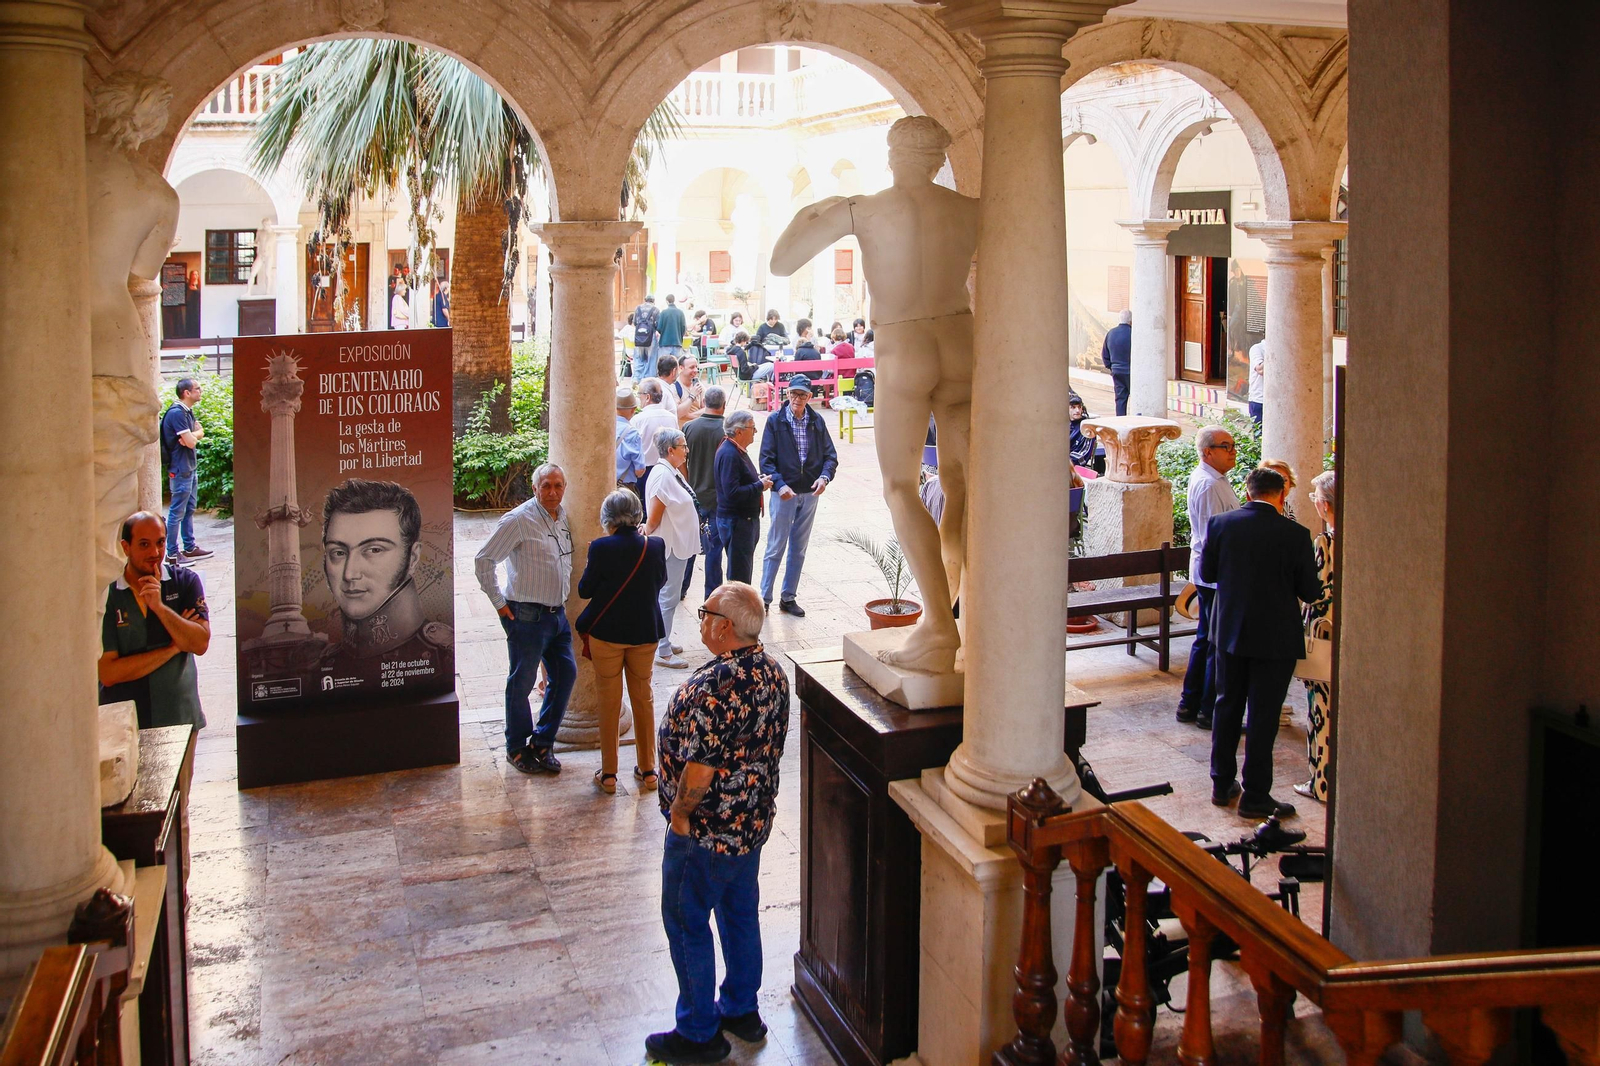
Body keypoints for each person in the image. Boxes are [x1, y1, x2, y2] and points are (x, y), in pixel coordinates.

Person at [770, 114, 975, 673]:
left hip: (904, 343)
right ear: (940, 160)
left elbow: (782, 260)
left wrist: (820, 210)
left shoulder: (864, 207)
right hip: (962, 338)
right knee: (962, 481)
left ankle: (938, 624)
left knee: (899, 484)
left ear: (892, 156)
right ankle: (966, 609)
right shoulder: (970, 210)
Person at [648, 581, 790, 1065]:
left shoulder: (717, 687)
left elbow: (701, 767)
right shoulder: (772, 671)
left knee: (687, 923)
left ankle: (697, 1033)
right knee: (739, 915)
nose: (701, 617)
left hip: (706, 835)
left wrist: (680, 818)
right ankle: (742, 1010)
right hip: (750, 826)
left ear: (724, 627)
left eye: (705, 611)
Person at [1200, 467, 1321, 820]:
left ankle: (1221, 784)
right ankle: (1255, 794)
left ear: (1248, 491)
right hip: (1275, 638)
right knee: (1264, 716)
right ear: (1282, 495)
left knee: (1226, 707)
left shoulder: (1221, 525)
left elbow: (1207, 575)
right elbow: (1309, 591)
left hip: (1230, 632)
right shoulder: (1296, 534)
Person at [474, 463, 578, 775]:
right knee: (521, 682)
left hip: (556, 615)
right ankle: (517, 747)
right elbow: (484, 559)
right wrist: (499, 604)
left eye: (558, 485)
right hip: (527, 616)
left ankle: (543, 742)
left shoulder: (562, 518)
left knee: (566, 675)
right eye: (546, 486)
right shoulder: (519, 520)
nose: (552, 492)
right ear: (534, 488)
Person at [575, 490, 668, 795]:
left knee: (609, 702)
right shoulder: (654, 545)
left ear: (607, 518)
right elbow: (661, 581)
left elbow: (585, 590)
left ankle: (610, 775)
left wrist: (596, 560)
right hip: (645, 633)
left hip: (608, 635)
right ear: (637, 514)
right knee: (643, 698)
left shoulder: (601, 548)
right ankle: (649, 770)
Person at [318, 478, 451, 685]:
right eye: (338, 552)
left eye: (374, 550)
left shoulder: (442, 656)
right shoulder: (323, 665)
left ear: (413, 558)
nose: (350, 573)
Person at [99, 511, 210, 729]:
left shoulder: (185, 582)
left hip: (179, 715)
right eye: (144, 544)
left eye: (160, 542)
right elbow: (109, 673)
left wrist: (159, 608)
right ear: (125, 547)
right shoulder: (108, 595)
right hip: (124, 722)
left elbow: (199, 643)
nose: (155, 552)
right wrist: (173, 648)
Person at [1178, 425, 1241, 730]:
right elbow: (1212, 537)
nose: (1233, 452)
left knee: (1207, 640)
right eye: (1226, 446)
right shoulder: (1208, 485)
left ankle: (1191, 704)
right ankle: (1206, 710)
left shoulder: (1217, 480)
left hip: (1216, 574)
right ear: (1207, 452)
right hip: (1215, 576)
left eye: (1233, 445)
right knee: (1214, 644)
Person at [758, 379, 838, 616]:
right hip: (784, 494)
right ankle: (764, 598)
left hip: (809, 493)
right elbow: (766, 459)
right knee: (775, 546)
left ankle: (788, 597)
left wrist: (824, 477)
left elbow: (830, 456)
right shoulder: (775, 421)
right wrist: (780, 485)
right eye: (793, 394)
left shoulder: (816, 421)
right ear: (787, 394)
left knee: (799, 548)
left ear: (809, 396)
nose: (797, 399)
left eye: (802, 395)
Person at [1296, 470, 1337, 802]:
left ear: (1324, 505)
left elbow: (1315, 591)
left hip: (1323, 632)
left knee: (1320, 707)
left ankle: (1321, 782)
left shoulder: (1326, 542)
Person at [644, 428, 700, 669]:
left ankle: (662, 640)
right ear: (670, 450)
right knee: (668, 598)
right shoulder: (662, 475)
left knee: (668, 597)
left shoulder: (671, 472)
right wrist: (645, 531)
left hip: (678, 546)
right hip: (670, 547)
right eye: (683, 446)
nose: (686, 451)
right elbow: (654, 517)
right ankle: (663, 650)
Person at [160, 377, 213, 567]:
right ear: (187, 393)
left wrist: (194, 435)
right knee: (177, 511)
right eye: (197, 389)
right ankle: (172, 554)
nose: (200, 391)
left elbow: (194, 435)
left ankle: (189, 548)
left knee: (189, 508)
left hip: (189, 467)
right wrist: (194, 435)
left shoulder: (187, 412)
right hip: (180, 468)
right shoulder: (177, 413)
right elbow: (190, 441)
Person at [715, 410, 771, 586]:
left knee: (742, 569)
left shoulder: (735, 450)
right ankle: (737, 610)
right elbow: (732, 492)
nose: (754, 432)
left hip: (744, 520)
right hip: (737, 521)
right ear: (739, 431)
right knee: (739, 575)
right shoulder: (729, 454)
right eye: (752, 428)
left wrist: (757, 480)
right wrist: (759, 486)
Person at [684, 387, 727, 598]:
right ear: (724, 405)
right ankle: (712, 593)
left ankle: (681, 587)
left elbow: (682, 463)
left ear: (704, 403)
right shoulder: (727, 431)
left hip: (694, 494)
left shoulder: (689, 428)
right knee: (714, 548)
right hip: (718, 497)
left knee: (690, 545)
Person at [633, 377, 680, 470]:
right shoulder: (672, 418)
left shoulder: (637, 420)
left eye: (639, 394)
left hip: (645, 470)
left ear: (647, 397)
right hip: (667, 468)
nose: (638, 398)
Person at [615, 386, 647, 499]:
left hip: (604, 487)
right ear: (633, 410)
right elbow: (640, 470)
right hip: (624, 489)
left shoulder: (605, 428)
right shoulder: (632, 433)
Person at [1102, 308, 1133, 416]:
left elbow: (1105, 354)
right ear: (1131, 321)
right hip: (1131, 371)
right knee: (1136, 397)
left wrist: (1111, 367)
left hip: (1117, 370)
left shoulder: (1111, 333)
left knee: (1120, 399)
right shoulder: (1134, 333)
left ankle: (1121, 422)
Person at [632, 295, 660, 382]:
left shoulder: (638, 308)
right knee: (651, 359)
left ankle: (637, 378)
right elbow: (657, 325)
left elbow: (634, 322)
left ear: (645, 300)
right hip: (651, 338)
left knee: (638, 357)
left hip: (639, 336)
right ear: (653, 301)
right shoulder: (656, 310)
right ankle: (649, 379)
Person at [675, 355, 707, 423]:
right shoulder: (675, 387)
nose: (696, 370)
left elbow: (707, 409)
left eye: (696, 367)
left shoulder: (698, 384)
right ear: (681, 368)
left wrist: (689, 416)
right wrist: (692, 396)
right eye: (692, 367)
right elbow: (678, 413)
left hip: (697, 428)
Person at [658, 292, 688, 363]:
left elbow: (659, 328)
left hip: (665, 343)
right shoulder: (680, 313)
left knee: (664, 364)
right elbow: (684, 328)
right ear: (674, 300)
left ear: (666, 301)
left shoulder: (663, 313)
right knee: (676, 364)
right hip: (677, 342)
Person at [1248, 336, 1267, 427]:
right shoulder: (1257, 349)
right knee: (1259, 435)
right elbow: (1260, 369)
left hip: (1277, 400)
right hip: (1259, 400)